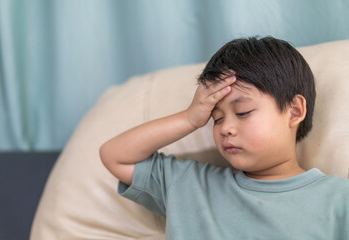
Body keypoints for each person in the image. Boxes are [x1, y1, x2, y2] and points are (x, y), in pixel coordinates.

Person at [99, 36, 349, 239]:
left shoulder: (339, 200)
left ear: (294, 111)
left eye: (243, 112)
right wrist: (189, 118)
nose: (225, 128)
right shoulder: (187, 184)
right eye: (216, 118)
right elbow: (115, 156)